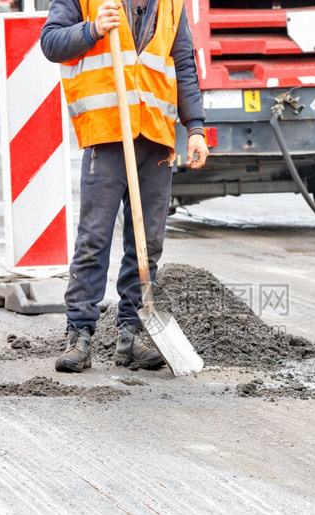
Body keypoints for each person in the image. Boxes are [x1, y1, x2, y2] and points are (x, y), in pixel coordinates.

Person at [40, 0, 208, 373]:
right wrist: (93, 29)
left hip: (156, 137)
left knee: (148, 242)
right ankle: (80, 334)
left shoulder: (171, 5)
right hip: (107, 133)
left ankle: (131, 334)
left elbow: (183, 65)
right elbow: (50, 43)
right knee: (94, 238)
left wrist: (194, 127)